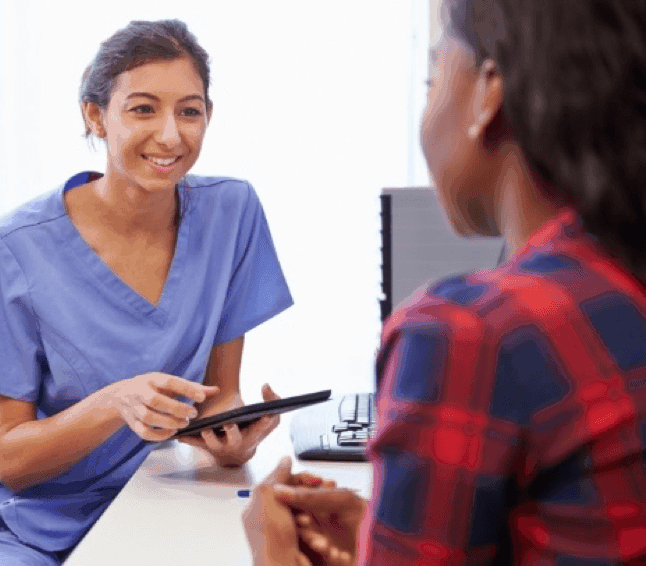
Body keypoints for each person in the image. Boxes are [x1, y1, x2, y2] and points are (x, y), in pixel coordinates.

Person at [243, 0, 646, 564]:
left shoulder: (470, 333)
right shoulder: (618, 283)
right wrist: (382, 537)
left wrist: (276, 556)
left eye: (433, 78)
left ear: (489, 93)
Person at [0, 19, 293, 566]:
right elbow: (10, 460)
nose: (171, 135)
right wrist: (113, 402)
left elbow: (219, 394)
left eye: (189, 110)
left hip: (140, 501)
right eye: (143, 108)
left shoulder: (233, 213)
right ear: (95, 115)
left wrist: (231, 439)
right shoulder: (15, 247)